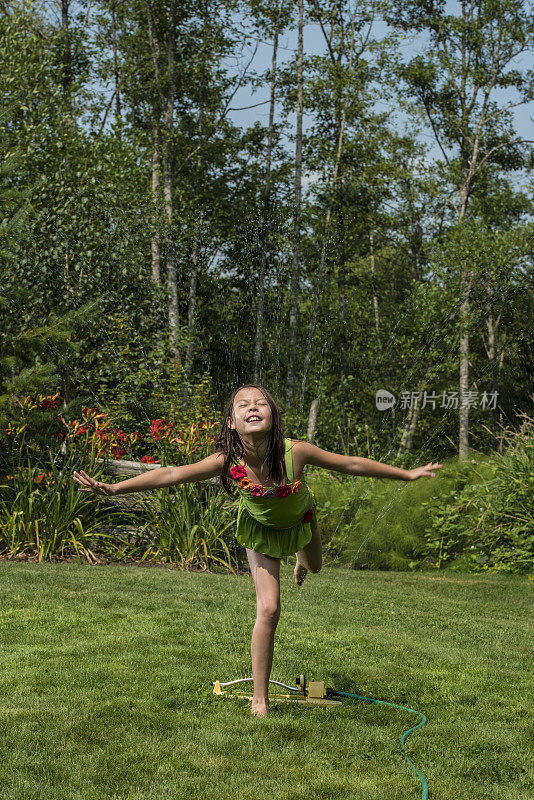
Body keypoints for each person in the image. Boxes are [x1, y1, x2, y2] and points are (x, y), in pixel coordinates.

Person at [73, 383, 442, 717]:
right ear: (231, 423)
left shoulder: (297, 452)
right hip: (261, 533)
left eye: (261, 403)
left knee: (315, 568)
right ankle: (260, 697)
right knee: (269, 607)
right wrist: (114, 489)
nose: (253, 407)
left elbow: (352, 464)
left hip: (301, 521)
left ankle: (300, 558)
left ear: (273, 415)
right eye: (243, 405)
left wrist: (406, 474)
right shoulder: (226, 462)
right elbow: (171, 473)